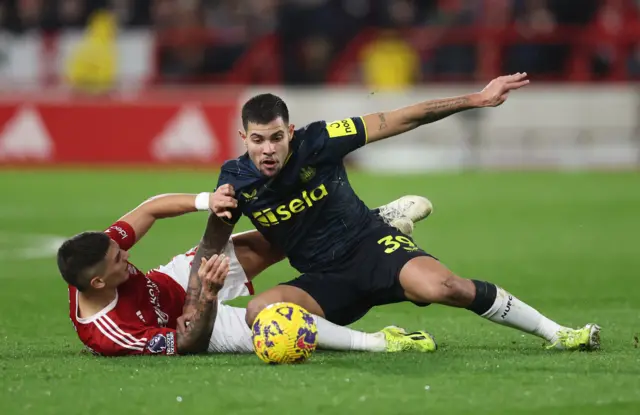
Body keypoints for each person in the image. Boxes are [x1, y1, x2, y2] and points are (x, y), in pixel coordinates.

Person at [188, 73, 600, 351]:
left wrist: (477, 98)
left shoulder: (320, 141)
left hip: (371, 248)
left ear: (290, 132)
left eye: (277, 138)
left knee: (447, 289)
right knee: (262, 311)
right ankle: (381, 342)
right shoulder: (234, 182)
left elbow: (401, 118)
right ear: (244, 137)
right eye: (258, 140)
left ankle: (558, 332)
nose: (268, 149)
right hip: (322, 280)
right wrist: (192, 305)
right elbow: (210, 246)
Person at [58, 192, 435, 356]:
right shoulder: (111, 335)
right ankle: (380, 343)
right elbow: (187, 344)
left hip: (173, 281)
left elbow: (152, 209)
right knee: (275, 321)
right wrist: (207, 295)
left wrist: (208, 201)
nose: (125, 254)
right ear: (98, 283)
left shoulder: (98, 253)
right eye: (118, 261)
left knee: (269, 240)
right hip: (193, 324)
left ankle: (370, 223)